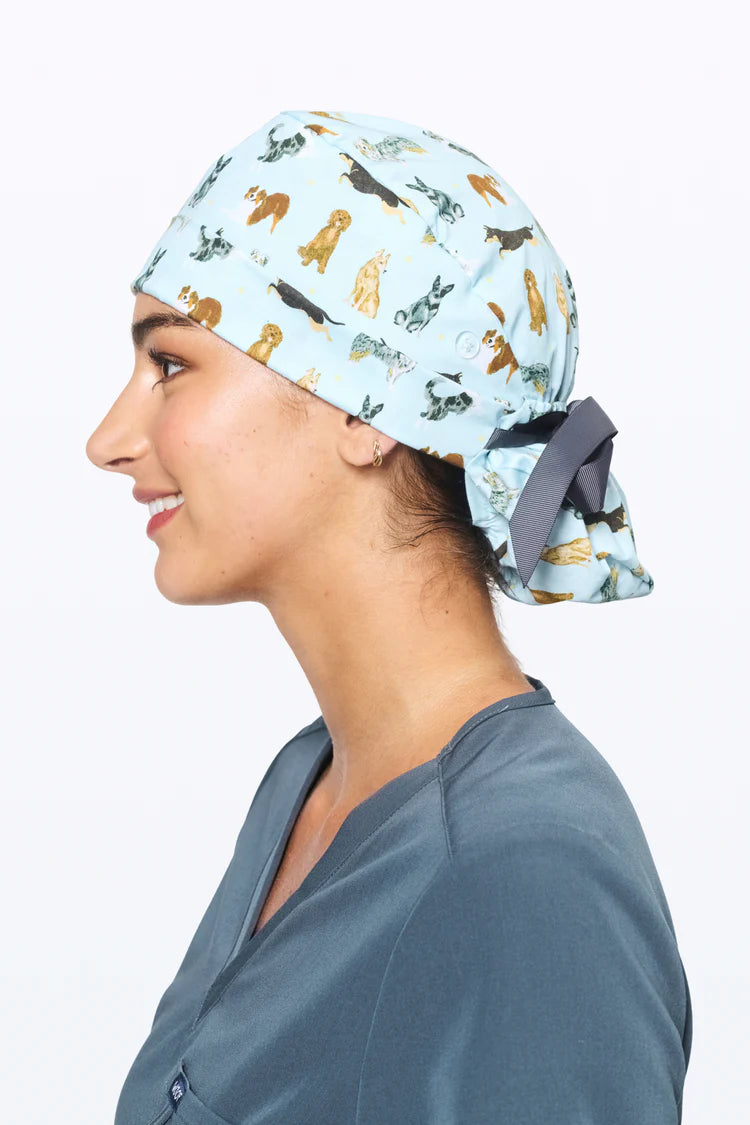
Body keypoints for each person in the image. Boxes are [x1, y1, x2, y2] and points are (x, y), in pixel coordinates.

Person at [86, 109, 691, 1124]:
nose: (108, 439)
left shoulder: (529, 870)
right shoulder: (308, 782)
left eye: (172, 365)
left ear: (370, 406)